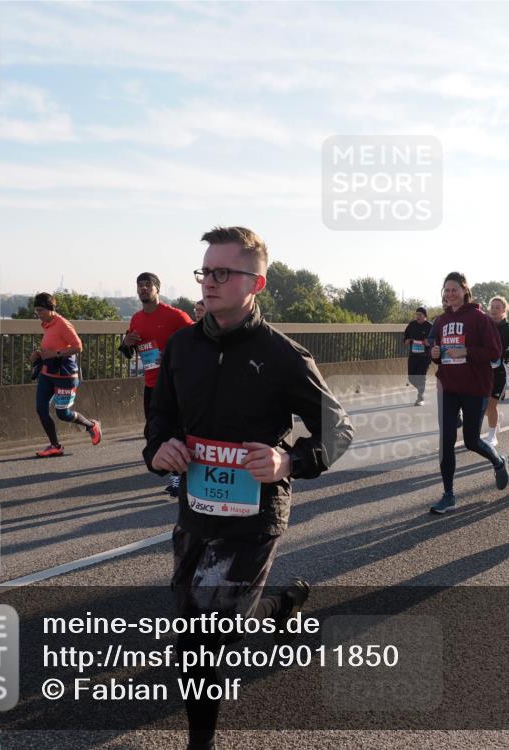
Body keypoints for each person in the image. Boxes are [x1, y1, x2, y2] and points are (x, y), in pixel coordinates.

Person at [143, 226, 353, 750]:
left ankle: (200, 742)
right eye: (204, 271)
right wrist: (158, 451)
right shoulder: (181, 347)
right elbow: (160, 420)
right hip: (195, 510)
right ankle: (279, 608)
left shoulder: (283, 355)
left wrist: (290, 459)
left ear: (254, 283)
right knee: (198, 617)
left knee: (201, 640)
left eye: (222, 273)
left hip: (254, 515)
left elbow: (338, 429)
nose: (209, 282)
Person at [428, 272, 509, 513]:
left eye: (454, 289)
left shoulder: (479, 318)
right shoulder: (441, 321)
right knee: (446, 442)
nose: (450, 294)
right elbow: (435, 350)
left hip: (475, 387)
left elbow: (494, 352)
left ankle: (498, 461)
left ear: (465, 291)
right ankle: (449, 495)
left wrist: (466, 351)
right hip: (448, 388)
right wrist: (433, 354)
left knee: (472, 440)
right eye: (446, 290)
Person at [119, 272, 194, 496]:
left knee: (177, 430)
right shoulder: (136, 319)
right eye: (139, 285)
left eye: (147, 285)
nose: (143, 289)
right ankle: (175, 471)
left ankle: (178, 477)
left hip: (176, 384)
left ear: (157, 289)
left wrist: (171, 355)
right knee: (154, 431)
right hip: (152, 385)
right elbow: (127, 352)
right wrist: (126, 343)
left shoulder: (175, 316)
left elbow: (196, 342)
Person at [29, 292, 102, 457]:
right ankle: (55, 446)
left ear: (51, 309)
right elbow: (52, 347)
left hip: (65, 376)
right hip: (47, 374)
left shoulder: (63, 324)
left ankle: (91, 425)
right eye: (36, 311)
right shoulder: (47, 324)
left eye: (40, 310)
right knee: (41, 409)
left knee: (63, 414)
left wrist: (56, 353)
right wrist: (39, 355)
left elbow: (78, 346)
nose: (38, 314)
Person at [486, 296, 509, 447]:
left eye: (498, 307)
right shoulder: (484, 325)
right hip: (484, 369)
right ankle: (497, 418)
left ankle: (492, 436)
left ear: (504, 310)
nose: (495, 309)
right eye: (493, 307)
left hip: (500, 369)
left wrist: (499, 353)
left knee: (491, 405)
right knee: (485, 406)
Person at [403, 306, 433, 406]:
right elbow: (406, 337)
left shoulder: (430, 326)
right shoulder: (412, 325)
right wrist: (406, 341)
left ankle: (420, 397)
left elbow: (434, 340)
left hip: (425, 357)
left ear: (425, 316)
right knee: (411, 378)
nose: (418, 316)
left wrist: (429, 343)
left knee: (421, 377)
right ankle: (421, 388)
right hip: (413, 355)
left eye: (420, 315)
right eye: (417, 315)